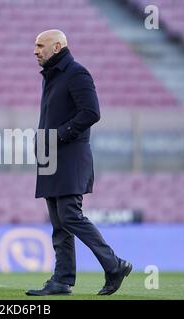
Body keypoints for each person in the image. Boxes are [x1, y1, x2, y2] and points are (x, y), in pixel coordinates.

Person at [26, 30, 132, 296]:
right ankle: (62, 280)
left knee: (70, 216)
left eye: (40, 46)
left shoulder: (76, 73)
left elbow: (91, 112)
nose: (35, 50)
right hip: (52, 157)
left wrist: (58, 136)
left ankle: (114, 265)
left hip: (71, 157)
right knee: (59, 223)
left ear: (57, 46)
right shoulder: (51, 76)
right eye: (35, 46)